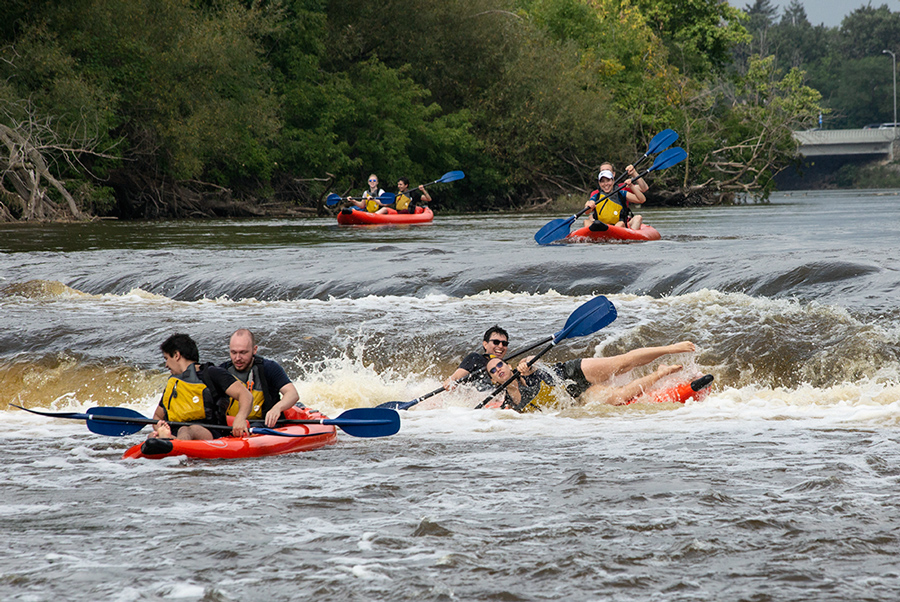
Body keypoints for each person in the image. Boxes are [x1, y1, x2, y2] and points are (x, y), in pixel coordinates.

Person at [483, 341, 697, 411]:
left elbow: (533, 360)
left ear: (508, 365)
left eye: (500, 364)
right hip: (577, 396)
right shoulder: (511, 405)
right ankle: (661, 372)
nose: (498, 369)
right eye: (493, 371)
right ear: (493, 380)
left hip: (573, 371)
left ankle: (671, 348)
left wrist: (527, 365)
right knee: (617, 397)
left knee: (622, 363)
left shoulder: (524, 368)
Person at [150, 333, 252, 441]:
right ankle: (169, 440)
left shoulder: (212, 373)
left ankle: (173, 443)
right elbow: (157, 416)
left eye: (166, 358)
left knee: (186, 429)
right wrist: (160, 427)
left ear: (176, 355)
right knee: (152, 436)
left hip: (209, 432)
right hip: (176, 432)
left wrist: (240, 418)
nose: (166, 365)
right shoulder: (174, 384)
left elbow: (245, 395)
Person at [219, 328, 303, 428]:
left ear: (254, 350)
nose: (237, 358)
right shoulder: (221, 371)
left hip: (264, 424)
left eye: (243, 352)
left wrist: (277, 408)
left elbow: (292, 394)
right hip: (230, 424)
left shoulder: (269, 368)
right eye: (233, 352)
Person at [443, 325, 511, 391]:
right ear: (485, 344)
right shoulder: (475, 358)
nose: (501, 346)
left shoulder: (506, 367)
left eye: (504, 344)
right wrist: (450, 381)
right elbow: (456, 377)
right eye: (496, 342)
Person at [584, 162, 646, 230]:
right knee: (587, 220)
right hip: (602, 224)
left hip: (619, 223)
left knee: (625, 222)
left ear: (613, 177)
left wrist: (633, 176)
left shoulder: (622, 189)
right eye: (602, 181)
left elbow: (643, 193)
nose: (606, 184)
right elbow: (587, 210)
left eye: (608, 180)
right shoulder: (596, 194)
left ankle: (631, 237)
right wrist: (588, 205)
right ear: (599, 183)